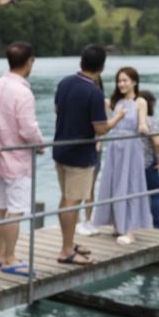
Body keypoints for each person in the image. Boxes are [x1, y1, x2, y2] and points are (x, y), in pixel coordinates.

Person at [0, 41, 44, 275]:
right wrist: (40, 144)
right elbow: (28, 129)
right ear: (29, 61)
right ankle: (10, 258)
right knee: (16, 210)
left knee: (0, 206)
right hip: (18, 159)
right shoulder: (23, 92)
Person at [52, 44, 110, 264]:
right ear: (102, 67)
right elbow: (100, 129)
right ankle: (66, 251)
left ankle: (68, 242)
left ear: (81, 62)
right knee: (72, 201)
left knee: (66, 199)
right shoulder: (94, 92)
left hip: (60, 149)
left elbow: (58, 110)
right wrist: (117, 118)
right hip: (80, 155)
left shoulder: (65, 82)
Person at [91, 66, 152, 244]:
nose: (121, 84)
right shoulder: (116, 102)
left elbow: (142, 122)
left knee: (131, 186)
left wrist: (143, 127)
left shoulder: (140, 102)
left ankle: (130, 231)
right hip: (115, 148)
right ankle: (118, 225)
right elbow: (105, 116)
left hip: (131, 148)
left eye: (125, 80)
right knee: (115, 184)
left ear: (134, 81)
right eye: (119, 81)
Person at [138, 90, 159, 229]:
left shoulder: (131, 120)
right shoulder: (149, 121)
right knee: (155, 193)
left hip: (132, 164)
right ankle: (155, 224)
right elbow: (158, 142)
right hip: (148, 162)